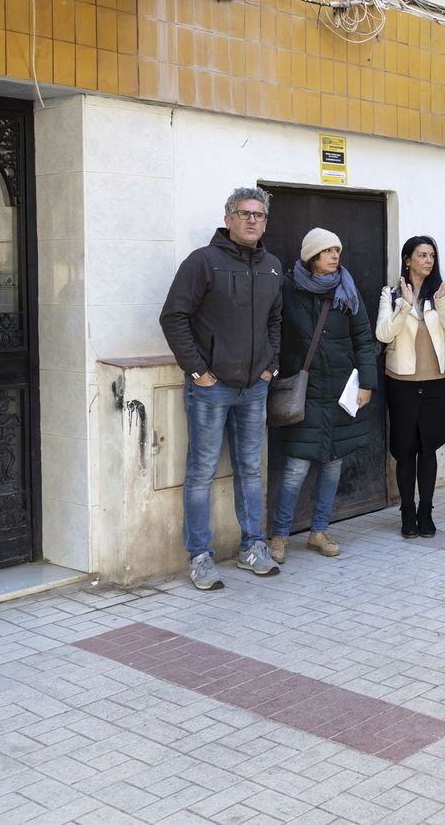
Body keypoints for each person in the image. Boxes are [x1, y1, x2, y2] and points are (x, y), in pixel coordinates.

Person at [159, 187, 284, 590]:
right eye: (244, 213)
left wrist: (271, 366)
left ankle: (252, 547)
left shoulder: (272, 266)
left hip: (254, 387)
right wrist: (198, 371)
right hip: (211, 388)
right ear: (228, 218)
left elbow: (275, 321)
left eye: (259, 215)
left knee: (250, 470)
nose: (252, 221)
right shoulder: (203, 262)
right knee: (201, 472)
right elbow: (173, 316)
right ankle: (199, 555)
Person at [267, 228, 378, 564]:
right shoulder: (288, 287)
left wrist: (366, 384)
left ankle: (318, 532)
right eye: (327, 251)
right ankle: (280, 535)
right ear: (311, 256)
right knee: (296, 468)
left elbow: (363, 338)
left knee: (333, 465)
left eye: (337, 250)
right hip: (306, 392)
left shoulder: (347, 287)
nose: (334, 256)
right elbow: (272, 328)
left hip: (341, 392)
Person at [376, 236, 445, 538]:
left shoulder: (443, 294)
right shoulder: (390, 293)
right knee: (405, 450)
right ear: (407, 259)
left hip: (437, 382)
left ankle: (426, 510)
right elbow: (384, 333)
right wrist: (403, 306)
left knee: (428, 450)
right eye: (422, 255)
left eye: (432, 255)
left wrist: (441, 301)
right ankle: (406, 510)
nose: (428, 260)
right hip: (401, 383)